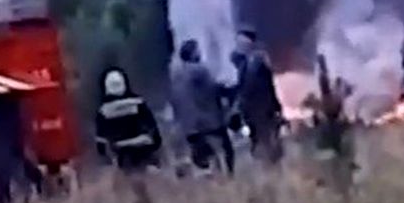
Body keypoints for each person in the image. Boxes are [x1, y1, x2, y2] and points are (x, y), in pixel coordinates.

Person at [170, 39, 234, 175]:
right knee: (225, 150)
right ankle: (228, 176)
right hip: (209, 122)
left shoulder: (176, 76)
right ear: (192, 53)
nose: (199, 53)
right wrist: (229, 91)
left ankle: (208, 177)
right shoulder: (199, 70)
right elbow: (213, 90)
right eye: (197, 50)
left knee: (202, 157)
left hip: (188, 127)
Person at [230, 28, 284, 164]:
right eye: (238, 42)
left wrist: (276, 105)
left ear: (250, 42)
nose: (239, 45)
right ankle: (268, 163)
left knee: (269, 140)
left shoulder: (259, 58)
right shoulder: (243, 62)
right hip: (251, 110)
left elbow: (268, 81)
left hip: (264, 106)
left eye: (242, 41)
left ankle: (273, 163)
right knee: (259, 140)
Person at [95, 68, 163, 173]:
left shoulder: (104, 110)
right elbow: (151, 124)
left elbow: (101, 136)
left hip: (121, 148)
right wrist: (157, 142)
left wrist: (102, 153)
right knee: (152, 171)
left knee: (127, 175)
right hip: (143, 143)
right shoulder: (137, 102)